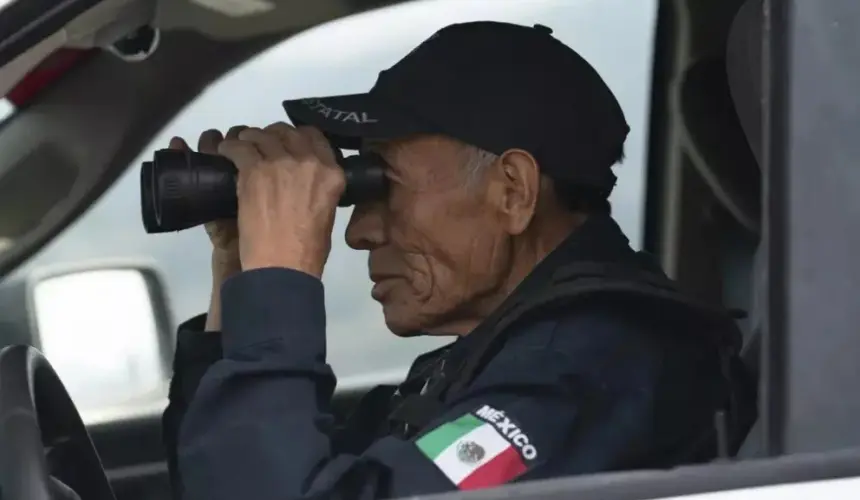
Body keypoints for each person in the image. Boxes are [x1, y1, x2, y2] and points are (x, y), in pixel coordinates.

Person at [162, 21, 756, 500]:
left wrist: (280, 287)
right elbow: (231, 474)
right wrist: (239, 270)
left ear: (513, 190)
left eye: (382, 185)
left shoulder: (589, 371)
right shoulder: (504, 360)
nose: (359, 232)